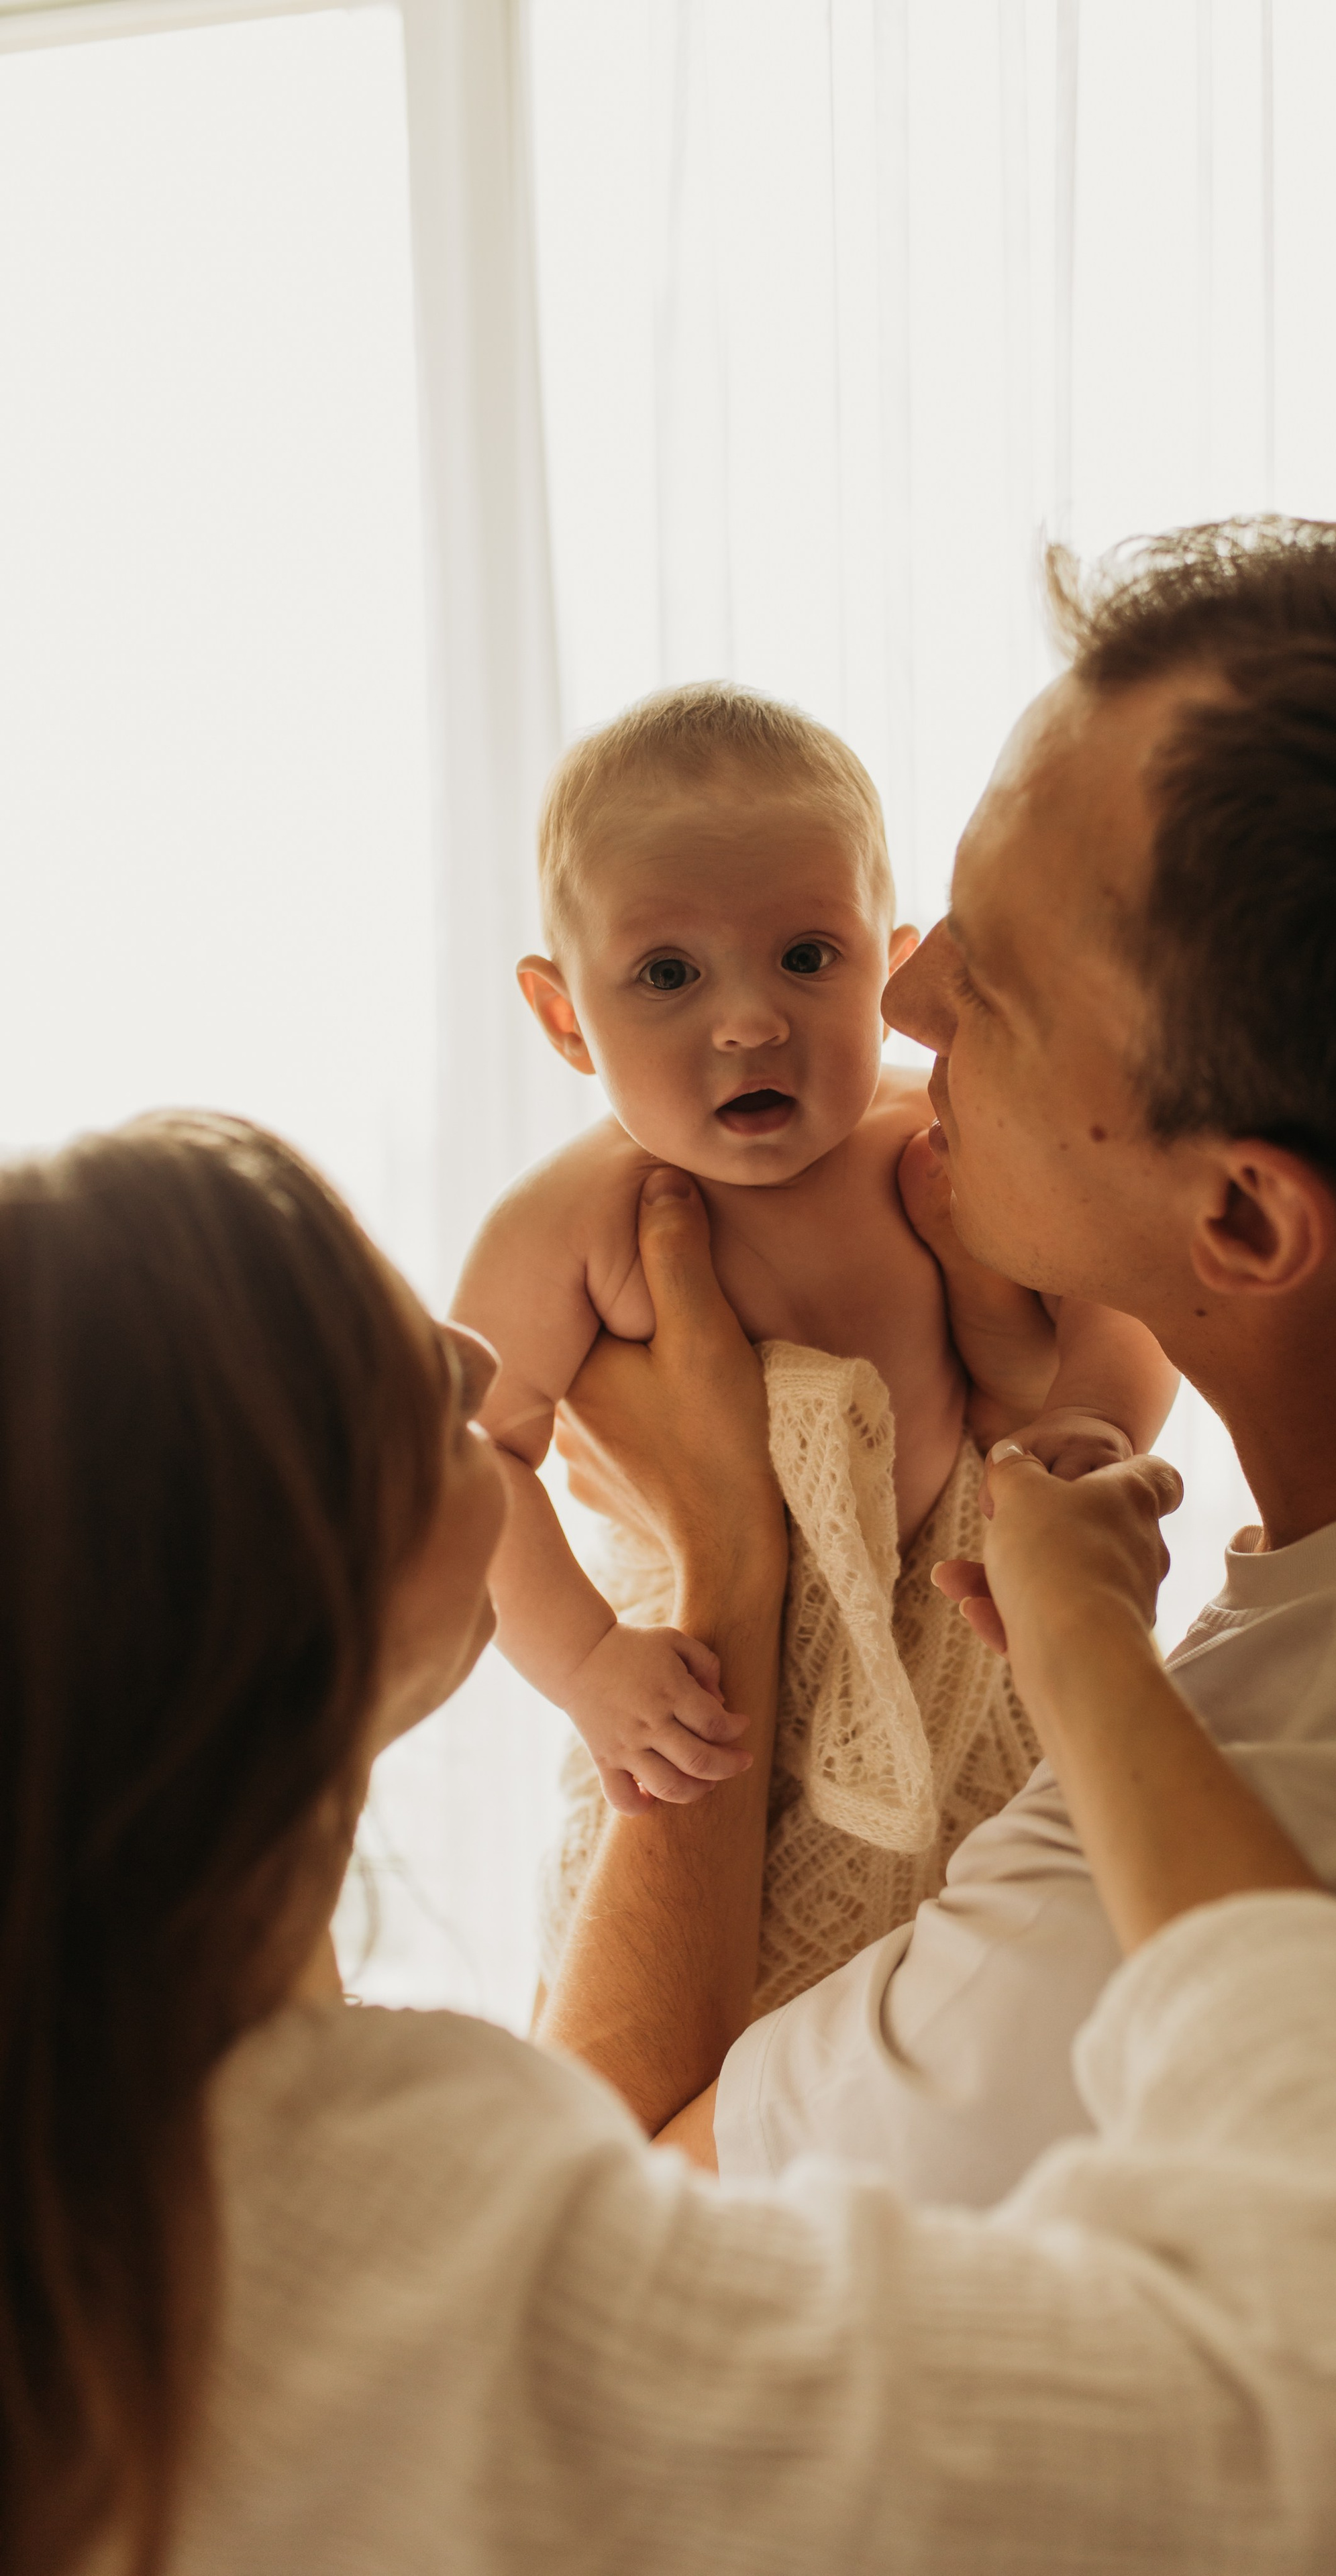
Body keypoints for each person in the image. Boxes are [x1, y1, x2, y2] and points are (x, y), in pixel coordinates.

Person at [544, 521, 1336, 2570]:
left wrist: (728, 1552)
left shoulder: (1116, 1950)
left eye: (977, 982)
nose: (897, 998)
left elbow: (570, 2262)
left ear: (1244, 1225)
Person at [0, 1112, 1336, 2576]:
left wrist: (734, 1556)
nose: (454, 1345)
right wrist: (1082, 1655)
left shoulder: (134, 2187)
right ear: (245, 1593)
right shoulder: (404, 2278)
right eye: (366, 1353)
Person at [454, 682, 1173, 2012]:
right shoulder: (576, 1219)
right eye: (667, 975)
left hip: (972, 1690)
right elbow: (470, 1453)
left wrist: (1092, 1424)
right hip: (715, 1734)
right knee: (711, 2062)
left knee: (1016, 2002)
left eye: (805, 956)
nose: (748, 1020)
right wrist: (586, 1666)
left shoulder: (936, 1138)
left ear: (887, 964)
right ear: (564, 1020)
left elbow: (1122, 1293)